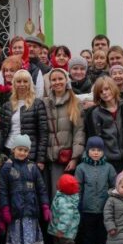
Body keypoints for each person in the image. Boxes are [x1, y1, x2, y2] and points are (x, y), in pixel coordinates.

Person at [0, 133, 50, 244]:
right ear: (13, 149)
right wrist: (5, 208)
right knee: (16, 240)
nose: (22, 153)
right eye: (20, 149)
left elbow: (41, 188)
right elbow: (2, 190)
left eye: (25, 150)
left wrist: (45, 205)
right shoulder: (7, 167)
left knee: (29, 239)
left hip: (30, 211)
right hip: (15, 212)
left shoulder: (32, 167)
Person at [83, 76, 123, 175]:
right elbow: (93, 138)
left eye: (107, 89)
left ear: (113, 88)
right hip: (105, 161)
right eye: (100, 91)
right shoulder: (94, 113)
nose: (104, 93)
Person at [76, 136, 116, 244]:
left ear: (103, 151)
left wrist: (109, 195)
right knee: (88, 237)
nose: (96, 153)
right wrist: (78, 205)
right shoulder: (81, 168)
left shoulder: (109, 167)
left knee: (104, 237)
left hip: (105, 209)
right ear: (87, 151)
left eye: (99, 150)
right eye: (92, 149)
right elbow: (78, 188)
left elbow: (114, 185)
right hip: (87, 209)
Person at [44, 68, 85, 197]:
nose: (57, 82)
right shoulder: (44, 103)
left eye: (60, 79)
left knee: (62, 195)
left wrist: (74, 158)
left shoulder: (75, 102)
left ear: (66, 80)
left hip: (65, 158)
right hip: (47, 157)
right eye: (54, 80)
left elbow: (79, 132)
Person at [0, 69, 48, 165]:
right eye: (18, 81)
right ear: (14, 83)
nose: (22, 84)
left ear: (30, 84)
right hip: (8, 150)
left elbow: (43, 134)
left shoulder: (37, 104)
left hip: (28, 153)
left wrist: (40, 159)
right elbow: (2, 132)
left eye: (25, 81)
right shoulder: (7, 105)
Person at [43, 173, 80, 244]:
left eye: (59, 182)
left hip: (65, 232)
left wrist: (61, 230)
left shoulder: (64, 201)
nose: (57, 183)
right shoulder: (62, 196)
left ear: (63, 187)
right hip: (58, 230)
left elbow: (66, 217)